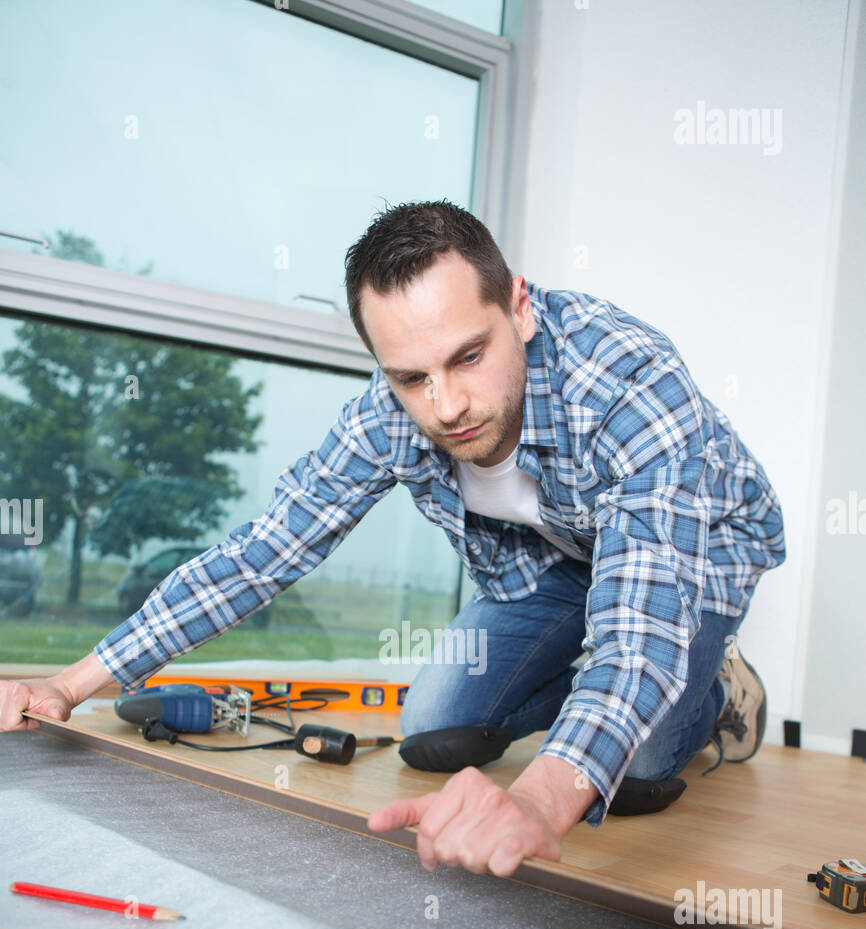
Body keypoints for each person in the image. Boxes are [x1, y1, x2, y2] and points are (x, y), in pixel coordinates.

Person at [0, 200, 785, 879]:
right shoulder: (388, 412)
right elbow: (261, 553)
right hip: (552, 565)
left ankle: (715, 690)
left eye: (469, 357)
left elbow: (640, 633)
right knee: (434, 730)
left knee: (636, 766)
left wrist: (539, 800)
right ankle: (599, 685)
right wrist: (67, 686)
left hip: (693, 554)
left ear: (520, 308)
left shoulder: (628, 384)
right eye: (412, 377)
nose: (446, 407)